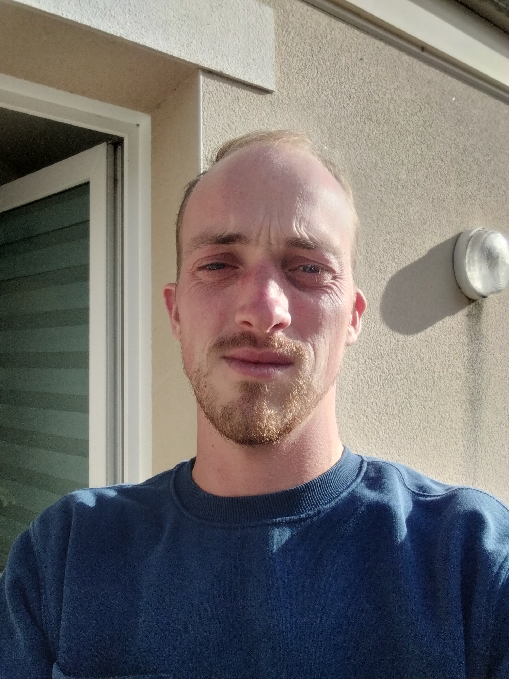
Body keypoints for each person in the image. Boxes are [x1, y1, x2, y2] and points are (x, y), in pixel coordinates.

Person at [1, 130, 508, 679]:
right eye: (219, 264)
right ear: (176, 313)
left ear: (353, 317)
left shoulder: (471, 562)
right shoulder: (64, 555)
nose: (264, 311)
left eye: (308, 268)